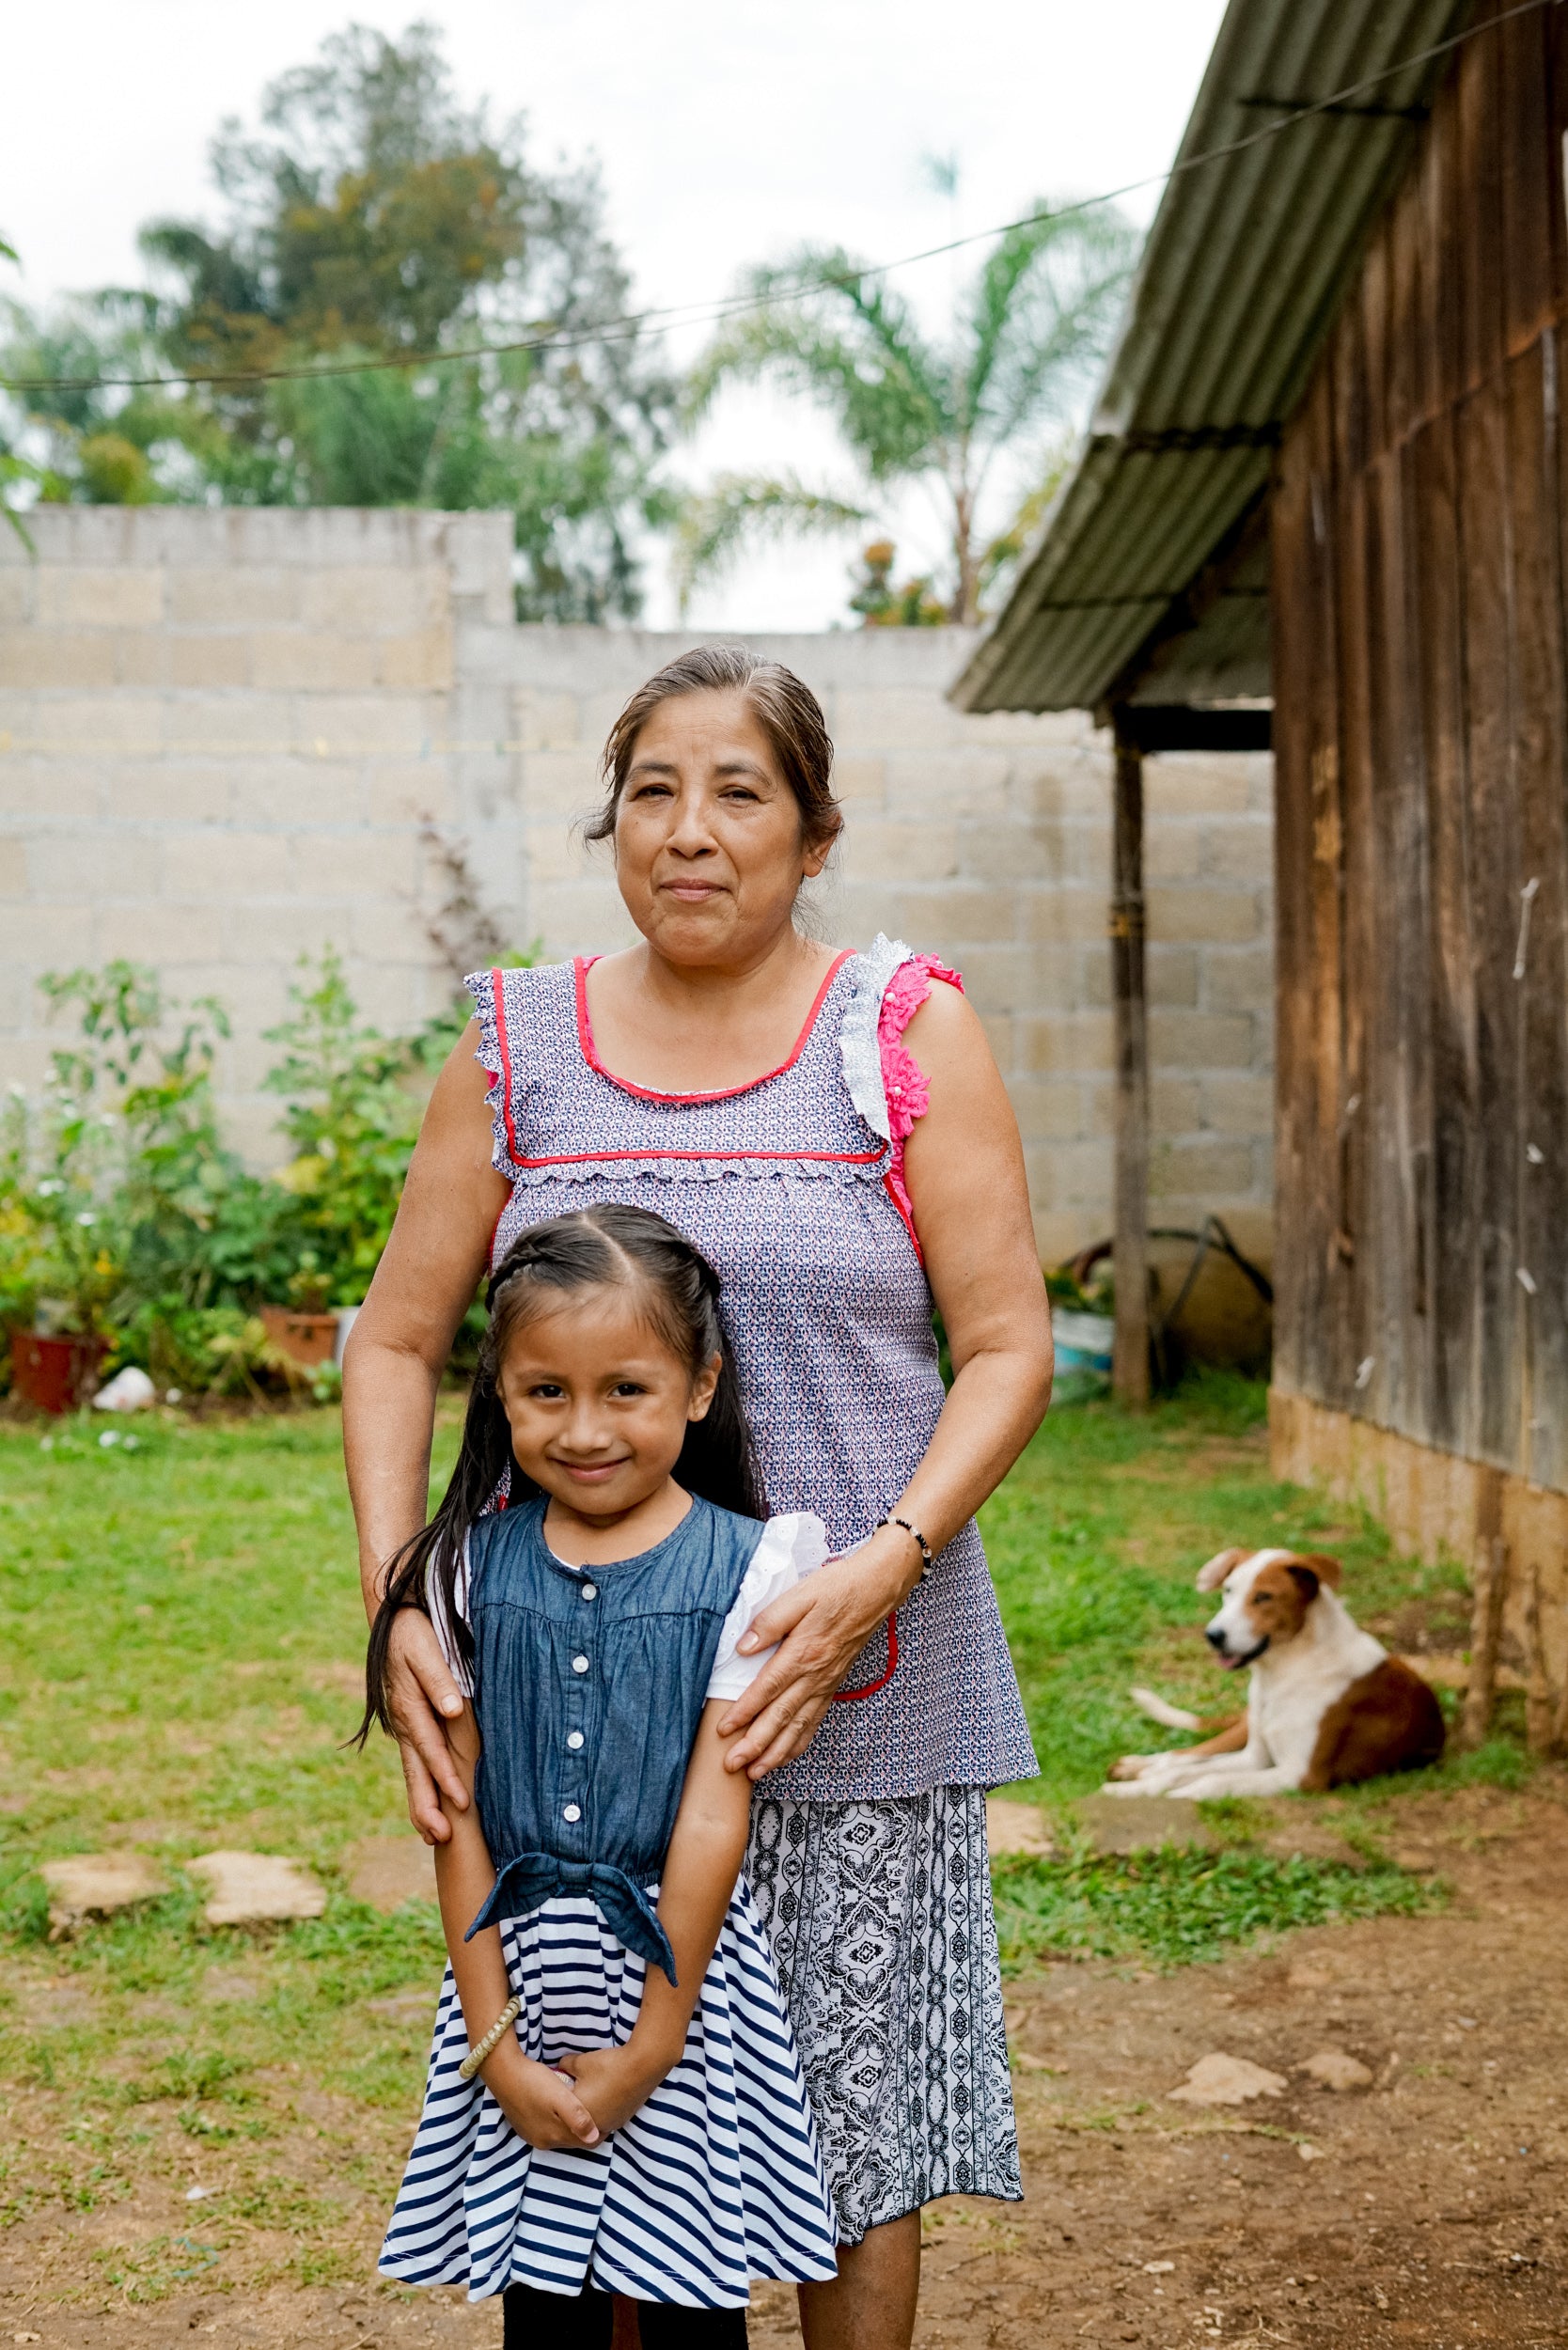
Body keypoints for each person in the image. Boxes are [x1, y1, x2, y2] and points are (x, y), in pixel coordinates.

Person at [343, 644, 1053, 2350]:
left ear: (813, 834)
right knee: (603, 2123)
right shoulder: (517, 1047)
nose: (688, 829)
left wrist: (881, 1568)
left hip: (850, 1676)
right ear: (611, 826)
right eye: (651, 789)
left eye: (738, 791)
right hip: (578, 1688)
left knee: (855, 2133)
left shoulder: (902, 1034)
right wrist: (400, 1615)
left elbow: (1010, 1345)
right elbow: (392, 1341)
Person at [363, 1203, 839, 2339]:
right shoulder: (464, 1568)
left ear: (701, 1385)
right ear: (500, 1391)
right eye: (546, 1392)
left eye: (625, 1388)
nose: (584, 1429)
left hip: (680, 1987)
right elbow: (458, 1816)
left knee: (686, 2300)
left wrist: (654, 2043)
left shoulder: (755, 1565)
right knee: (548, 2300)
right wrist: (498, 2049)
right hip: (518, 1983)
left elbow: (713, 1817)